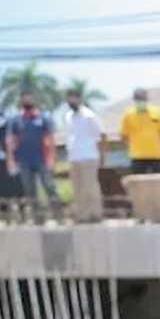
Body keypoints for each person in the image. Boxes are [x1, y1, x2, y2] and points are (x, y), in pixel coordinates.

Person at [7, 91, 62, 224]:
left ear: (34, 99)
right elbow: (11, 141)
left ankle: (59, 217)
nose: (27, 99)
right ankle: (38, 219)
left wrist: (52, 158)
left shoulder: (43, 118)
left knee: (50, 188)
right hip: (24, 161)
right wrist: (11, 160)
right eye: (24, 97)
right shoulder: (15, 120)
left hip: (42, 160)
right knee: (30, 191)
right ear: (21, 101)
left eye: (29, 97)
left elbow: (51, 139)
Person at [62, 88, 105, 223]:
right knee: (77, 188)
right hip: (74, 157)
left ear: (79, 99)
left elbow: (101, 135)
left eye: (74, 98)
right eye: (69, 98)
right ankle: (82, 216)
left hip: (89, 156)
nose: (71, 101)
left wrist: (102, 155)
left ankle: (96, 214)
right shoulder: (68, 116)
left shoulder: (89, 115)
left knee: (90, 187)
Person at [120, 87, 160, 175]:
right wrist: (132, 147)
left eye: (143, 98)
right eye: (138, 98)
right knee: (139, 186)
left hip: (157, 156)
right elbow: (123, 136)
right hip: (137, 158)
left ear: (147, 99)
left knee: (158, 185)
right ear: (134, 100)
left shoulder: (157, 112)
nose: (141, 101)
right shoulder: (128, 114)